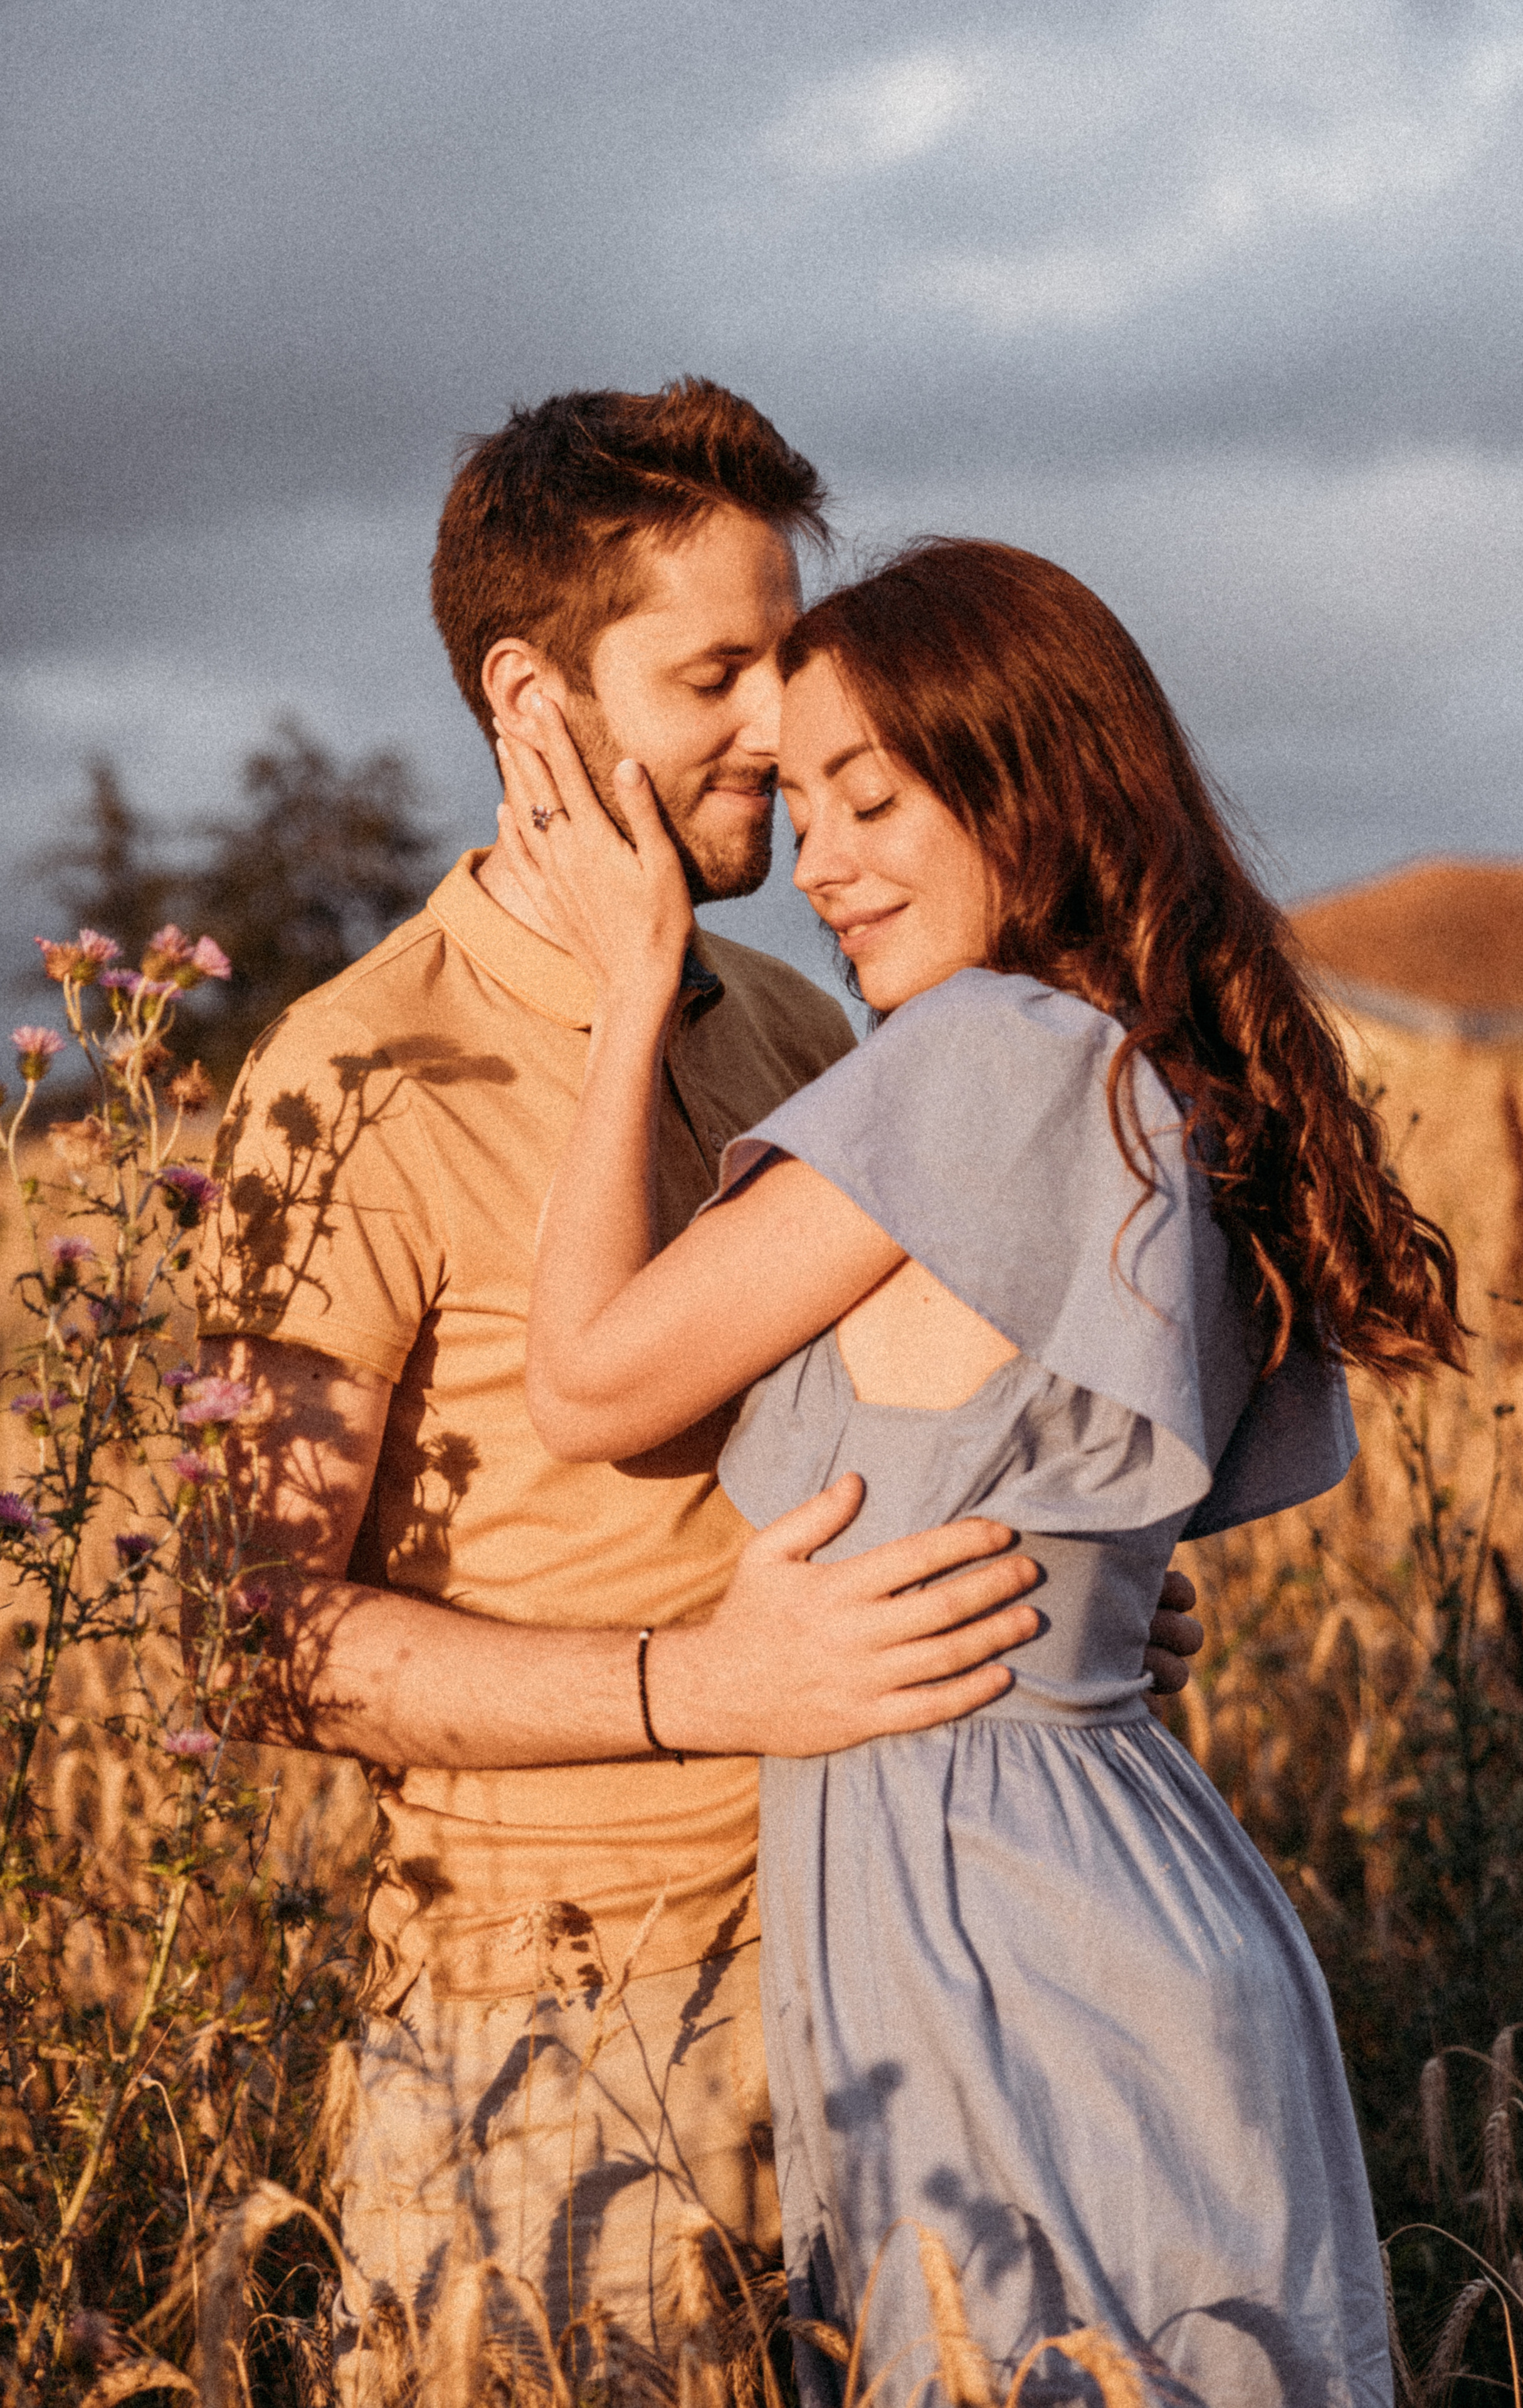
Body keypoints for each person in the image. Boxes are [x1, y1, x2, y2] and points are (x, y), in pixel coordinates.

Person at [192, 386, 1202, 2393]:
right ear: (530, 696)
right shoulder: (352, 1079)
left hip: (888, 1969)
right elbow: (251, 1641)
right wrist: (702, 1689)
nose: (785, 730)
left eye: (786, 656)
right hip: (559, 2048)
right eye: (716, 673)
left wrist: (1045, 1581)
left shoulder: (809, 1020)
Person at [501, 537, 1467, 2407]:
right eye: (794, 801)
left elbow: (587, 1385)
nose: (821, 862)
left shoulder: (977, 1057)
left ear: (1033, 791)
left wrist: (637, 983)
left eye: (873, 799)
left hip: (994, 1920)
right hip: (1093, 1880)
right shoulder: (1134, 1068)